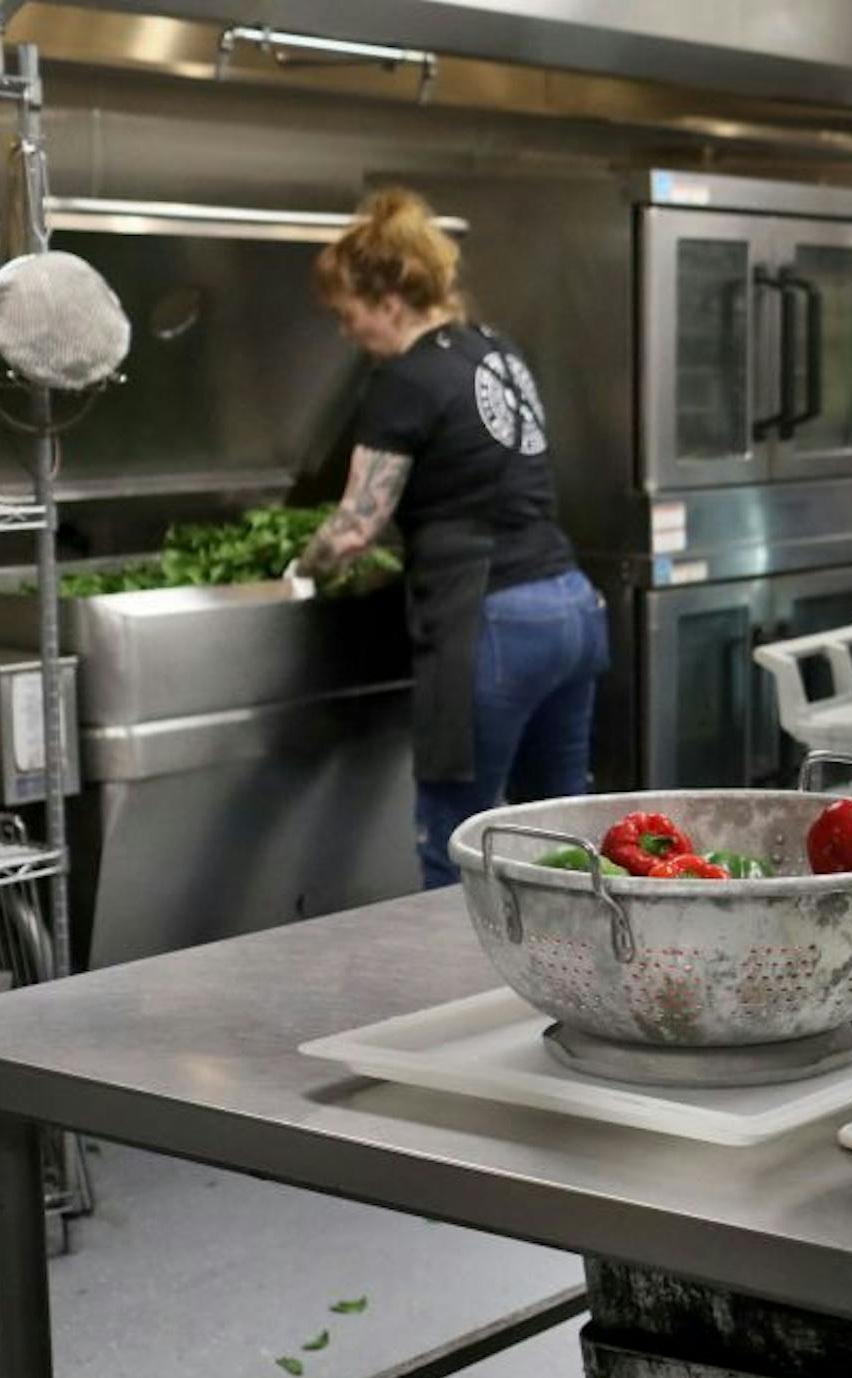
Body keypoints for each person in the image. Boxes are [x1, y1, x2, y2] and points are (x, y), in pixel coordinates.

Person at [300, 187, 607, 888]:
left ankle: (451, 998)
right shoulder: (494, 348)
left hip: (492, 623)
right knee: (565, 838)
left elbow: (354, 527)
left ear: (388, 299)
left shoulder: (403, 379)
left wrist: (300, 564)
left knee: (457, 844)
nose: (347, 333)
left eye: (348, 316)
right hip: (571, 607)